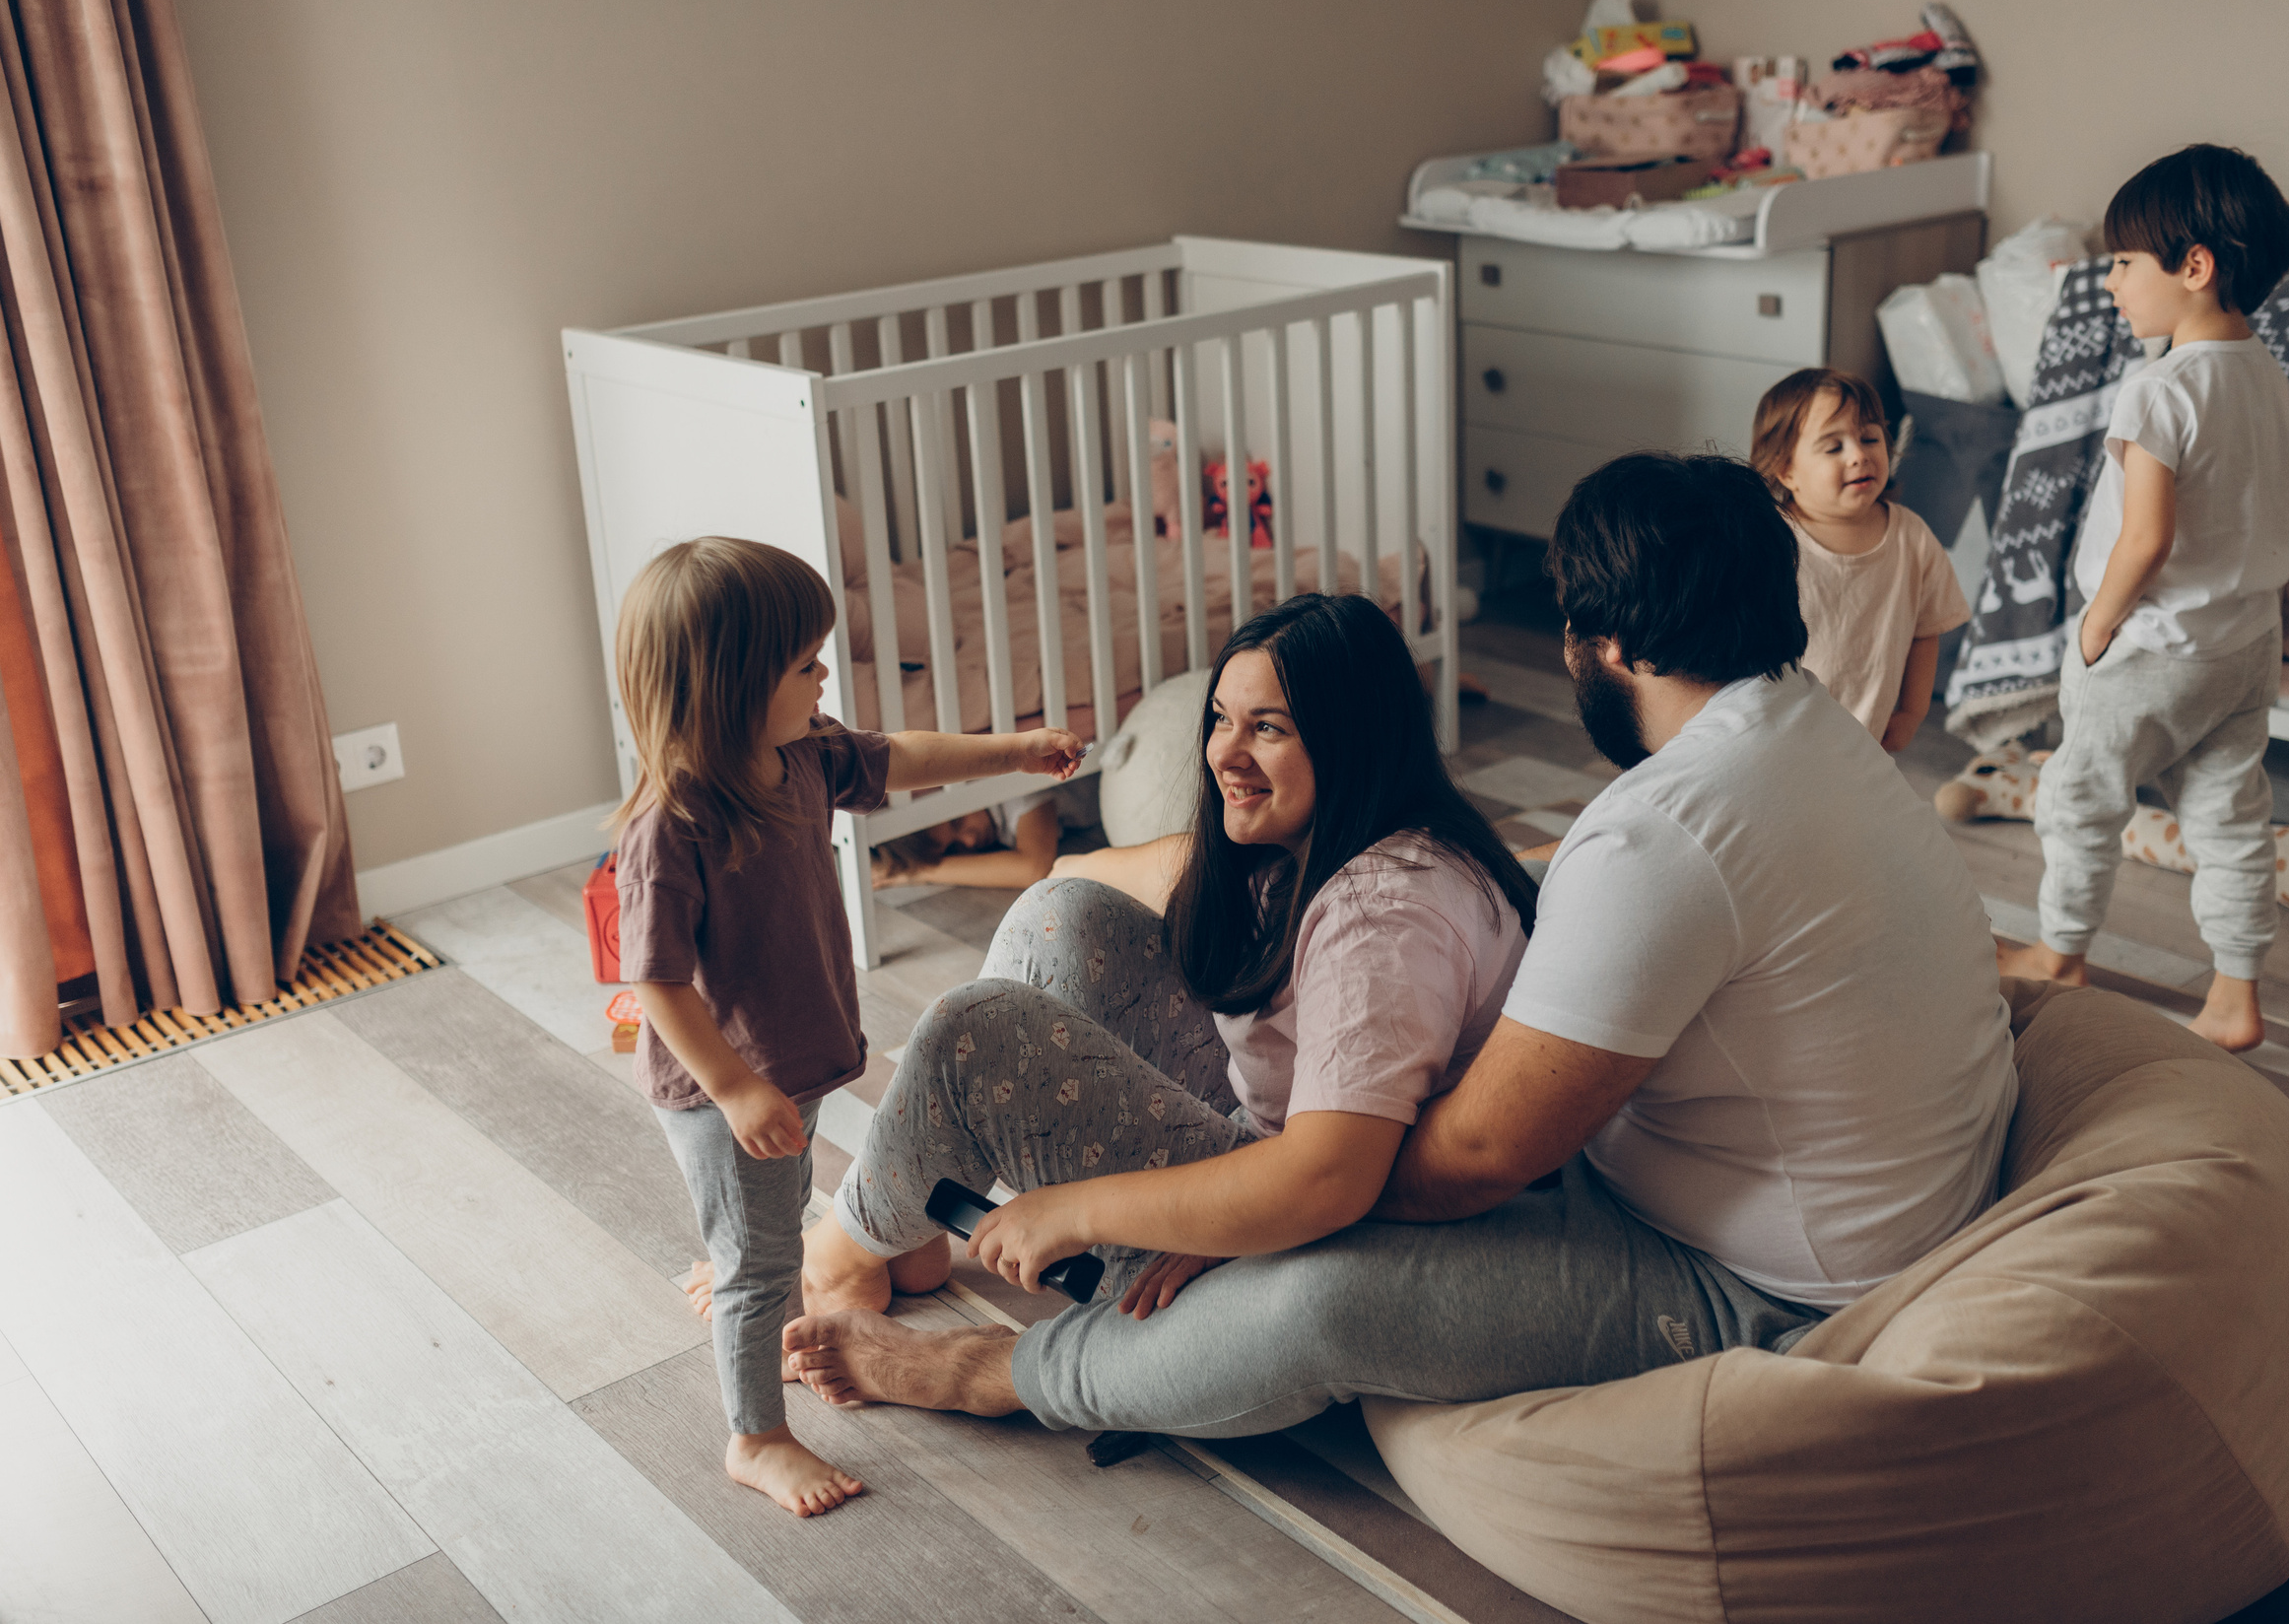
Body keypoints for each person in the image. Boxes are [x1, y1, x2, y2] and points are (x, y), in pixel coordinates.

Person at [781, 453, 2018, 1440]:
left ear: (1613, 646)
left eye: (1575, 629)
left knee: (1317, 1298)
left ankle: (1011, 1371)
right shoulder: (1813, 737)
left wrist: (1260, 1213)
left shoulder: (1660, 835)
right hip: (1792, 1187)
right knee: (1083, 929)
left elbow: (1470, 1160)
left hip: (1753, 1281)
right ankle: (955, 1234)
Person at [769, 591, 1534, 1332]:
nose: (1224, 753)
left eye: (1266, 728)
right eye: (1221, 720)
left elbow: (1328, 1179)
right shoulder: (1332, 840)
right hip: (1271, 1134)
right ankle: (906, 1201)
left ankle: (842, 1253)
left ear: (1351, 739)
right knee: (1058, 915)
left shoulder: (1382, 919)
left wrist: (1074, 1211)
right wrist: (1056, 866)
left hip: (1298, 1223)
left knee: (973, 1033)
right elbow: (1096, 875)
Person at [610, 536, 1080, 1518]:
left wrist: (1013, 751)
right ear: (732, 683)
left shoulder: (804, 752)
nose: (824, 676)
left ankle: (758, 1286)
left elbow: (896, 756)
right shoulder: (673, 820)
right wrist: (735, 1087)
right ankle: (755, 1434)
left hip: (795, 1056)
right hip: (724, 1083)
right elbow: (652, 979)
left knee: (770, 1221)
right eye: (804, 663)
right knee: (757, 1258)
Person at [1995, 144, 2289, 1053]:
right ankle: (2235, 994)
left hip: (2146, 648)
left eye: (2125, 264)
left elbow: (2147, 537)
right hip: (2242, 643)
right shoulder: (2263, 373)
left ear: (2195, 268)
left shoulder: (2161, 386)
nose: (2112, 285)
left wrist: (2097, 623)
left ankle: (2061, 953)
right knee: (2231, 816)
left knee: (2080, 798)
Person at [1749, 367, 1971, 751]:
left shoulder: (1911, 537)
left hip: (1865, 738)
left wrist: (1912, 713)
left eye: (1870, 438)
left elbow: (1925, 632)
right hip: (1772, 735)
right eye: (1833, 447)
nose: (1858, 456)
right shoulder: (1769, 541)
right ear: (1786, 471)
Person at [870, 794, 1063, 891]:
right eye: (954, 847)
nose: (969, 842)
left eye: (958, 822)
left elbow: (1034, 869)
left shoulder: (1015, 794)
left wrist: (919, 871)